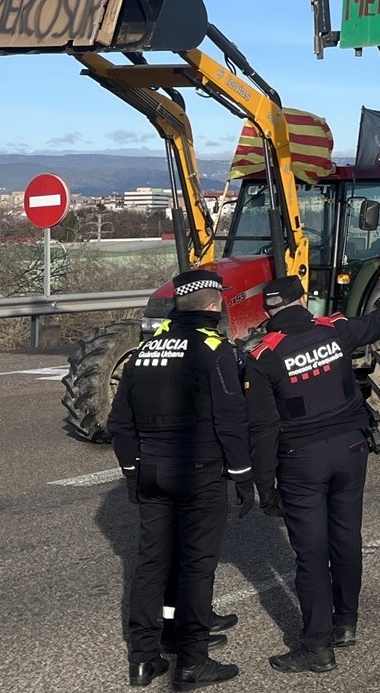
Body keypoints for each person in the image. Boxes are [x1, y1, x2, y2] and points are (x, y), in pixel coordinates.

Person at [244, 275, 380, 674]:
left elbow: (263, 429)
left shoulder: (264, 357)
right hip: (352, 450)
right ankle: (346, 623)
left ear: (268, 310)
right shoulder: (335, 331)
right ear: (302, 300)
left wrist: (264, 487)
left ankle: (317, 646)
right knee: (346, 537)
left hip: (302, 461)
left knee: (311, 554)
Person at [108, 269, 253, 690]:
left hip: (151, 471)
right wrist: (243, 476)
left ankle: (144, 659)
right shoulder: (214, 349)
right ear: (214, 305)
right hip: (199, 474)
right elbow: (231, 419)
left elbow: (120, 423)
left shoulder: (146, 350)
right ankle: (192, 661)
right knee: (196, 567)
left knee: (151, 566)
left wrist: (133, 472)